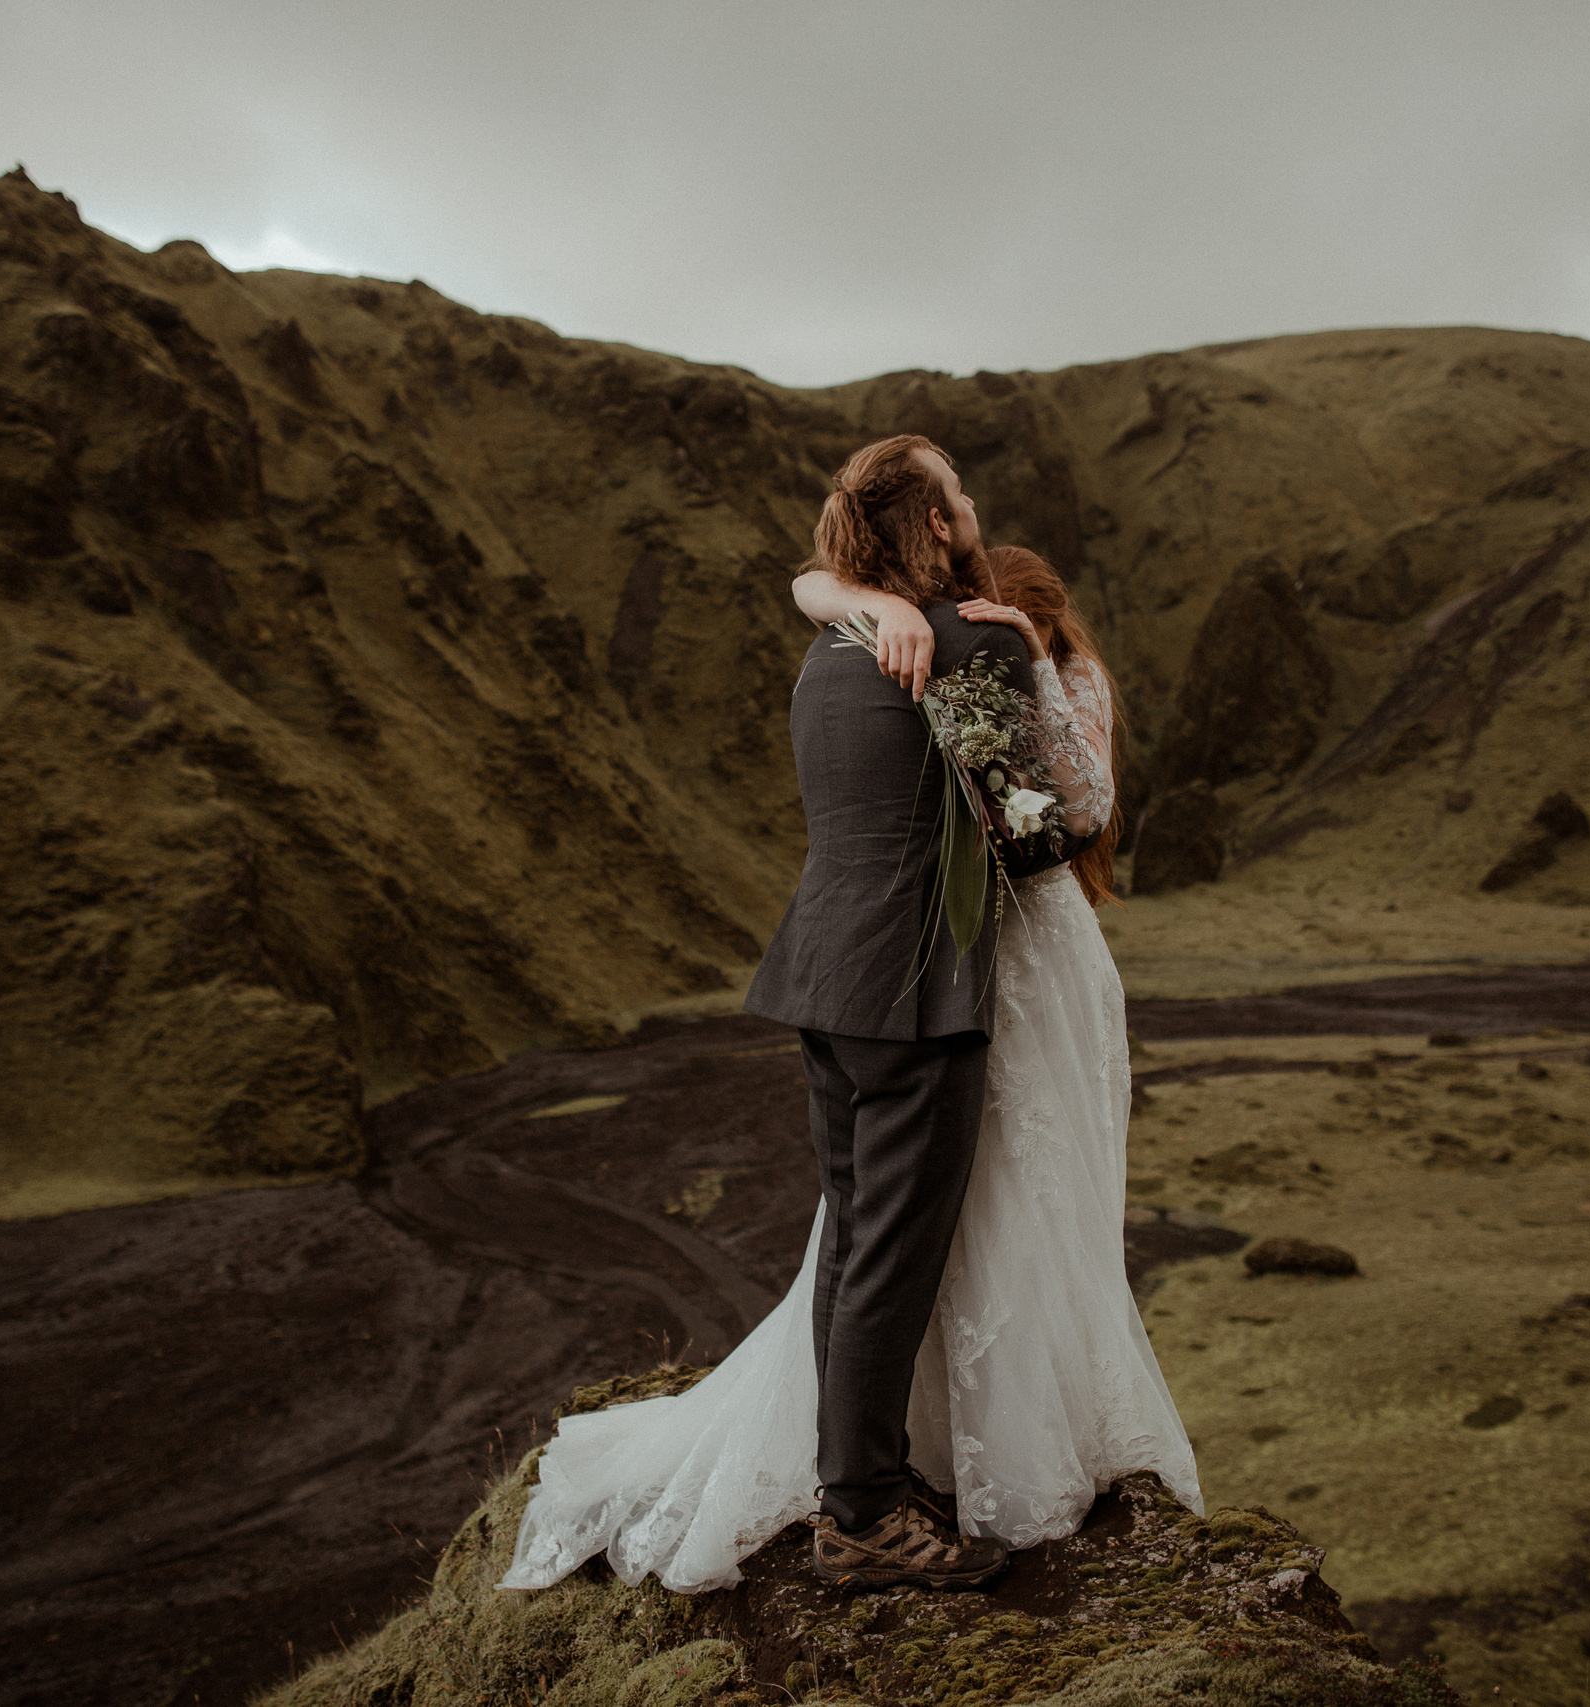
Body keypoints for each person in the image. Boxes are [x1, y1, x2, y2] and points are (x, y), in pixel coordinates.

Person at [497, 440, 1198, 1598]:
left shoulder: (828, 651)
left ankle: (856, 1478)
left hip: (823, 976)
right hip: (916, 989)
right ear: (933, 526)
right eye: (958, 493)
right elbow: (1036, 833)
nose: (973, 505)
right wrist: (1033, 677)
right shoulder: (974, 643)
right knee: (891, 1256)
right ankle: (864, 1516)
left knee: (851, 1241)